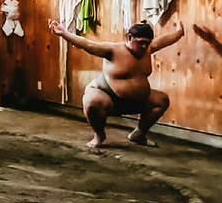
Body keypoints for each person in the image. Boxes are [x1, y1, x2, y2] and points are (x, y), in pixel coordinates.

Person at [48, 18, 184, 148]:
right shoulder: (112, 50)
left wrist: (179, 33)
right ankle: (99, 136)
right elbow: (87, 44)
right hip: (109, 98)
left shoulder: (147, 50)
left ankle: (139, 134)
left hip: (136, 101)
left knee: (162, 100)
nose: (144, 46)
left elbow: (164, 41)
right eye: (141, 42)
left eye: (147, 43)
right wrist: (63, 33)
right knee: (91, 101)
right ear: (129, 38)